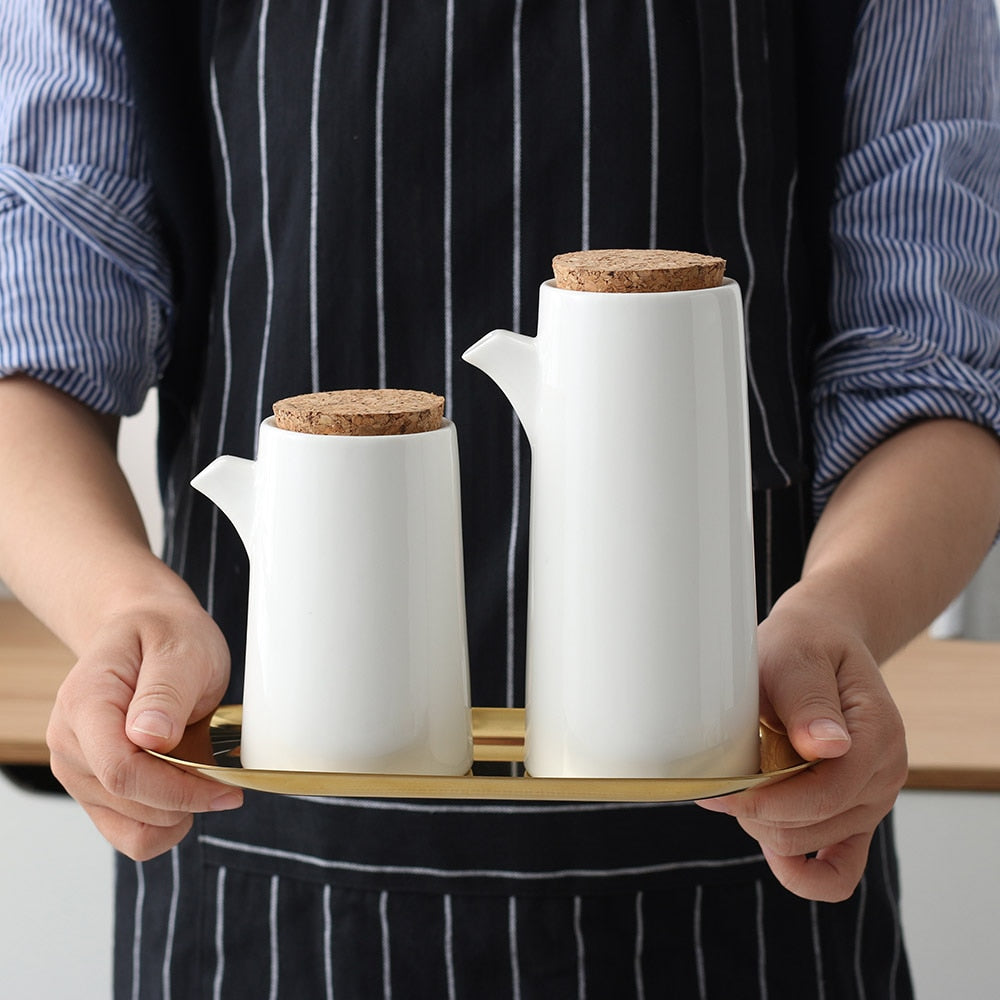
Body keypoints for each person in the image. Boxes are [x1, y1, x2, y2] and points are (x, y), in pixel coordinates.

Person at [1, 0, 998, 996]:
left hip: (744, 868)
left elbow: (939, 363)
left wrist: (841, 611)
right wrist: (123, 608)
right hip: (264, 884)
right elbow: (33, 321)